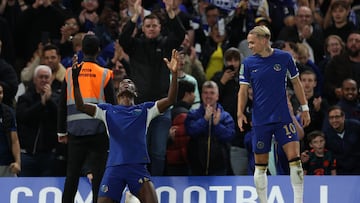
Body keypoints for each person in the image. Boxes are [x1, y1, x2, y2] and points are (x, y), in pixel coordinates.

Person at [72, 49, 180, 203]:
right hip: (114, 168)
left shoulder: (145, 110)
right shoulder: (107, 110)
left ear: (135, 92)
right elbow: (80, 105)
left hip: (137, 168)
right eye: (123, 83)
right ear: (118, 92)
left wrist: (174, 75)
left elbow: (170, 100)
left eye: (130, 83)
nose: (126, 84)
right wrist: (76, 81)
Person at [237, 26, 311, 203]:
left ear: (264, 40)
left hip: (283, 117)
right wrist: (239, 113)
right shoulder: (248, 63)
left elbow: (297, 83)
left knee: (295, 160)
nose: (250, 46)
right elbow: (242, 90)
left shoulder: (284, 58)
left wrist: (305, 108)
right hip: (261, 120)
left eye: (253, 42)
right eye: (249, 43)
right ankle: (263, 201)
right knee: (260, 166)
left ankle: (299, 201)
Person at [119, 0, 186, 176]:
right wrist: (133, 17)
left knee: (158, 151)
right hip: (138, 107)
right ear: (143, 28)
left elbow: (179, 35)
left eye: (154, 25)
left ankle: (155, 183)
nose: (150, 28)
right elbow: (123, 39)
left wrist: (171, 13)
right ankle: (140, 183)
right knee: (140, 149)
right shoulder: (135, 46)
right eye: (147, 25)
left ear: (159, 28)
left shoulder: (165, 45)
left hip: (162, 106)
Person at [57, 33, 115, 203]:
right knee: (99, 176)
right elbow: (113, 107)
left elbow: (61, 105)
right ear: (98, 50)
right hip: (99, 132)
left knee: (72, 176)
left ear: (81, 50)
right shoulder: (105, 73)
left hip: (75, 132)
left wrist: (61, 132)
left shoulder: (69, 73)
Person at [16, 65, 59, 177]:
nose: (44, 80)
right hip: (28, 155)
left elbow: (61, 118)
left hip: (49, 155)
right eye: (41, 77)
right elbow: (23, 117)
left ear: (51, 79)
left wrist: (49, 101)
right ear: (34, 80)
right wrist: (41, 104)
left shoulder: (57, 98)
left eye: (46, 77)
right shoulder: (24, 98)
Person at [185, 80, 235, 175]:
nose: (208, 96)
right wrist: (205, 119)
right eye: (205, 93)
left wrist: (217, 125)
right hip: (196, 167)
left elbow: (230, 136)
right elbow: (190, 131)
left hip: (220, 168)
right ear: (201, 95)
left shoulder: (225, 116)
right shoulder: (193, 114)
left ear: (217, 96)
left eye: (212, 93)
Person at [211, 47, 248, 175]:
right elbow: (211, 99)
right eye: (229, 60)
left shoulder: (246, 78)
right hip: (223, 122)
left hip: (242, 123)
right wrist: (222, 82)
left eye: (235, 60)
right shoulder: (218, 77)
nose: (232, 63)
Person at [166, 80, 195, 176]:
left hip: (171, 162)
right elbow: (182, 141)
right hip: (180, 165)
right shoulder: (183, 115)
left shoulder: (170, 112)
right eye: (193, 93)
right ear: (187, 94)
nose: (195, 96)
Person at [322, 105, 360, 174]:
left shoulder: (356, 126)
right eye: (331, 118)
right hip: (339, 171)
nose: (334, 120)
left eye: (337, 117)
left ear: (343, 117)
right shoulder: (326, 134)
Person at [0, 83, 21, 177]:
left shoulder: (8, 112)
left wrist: (17, 162)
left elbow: (14, 140)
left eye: (0, 93)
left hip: (6, 164)